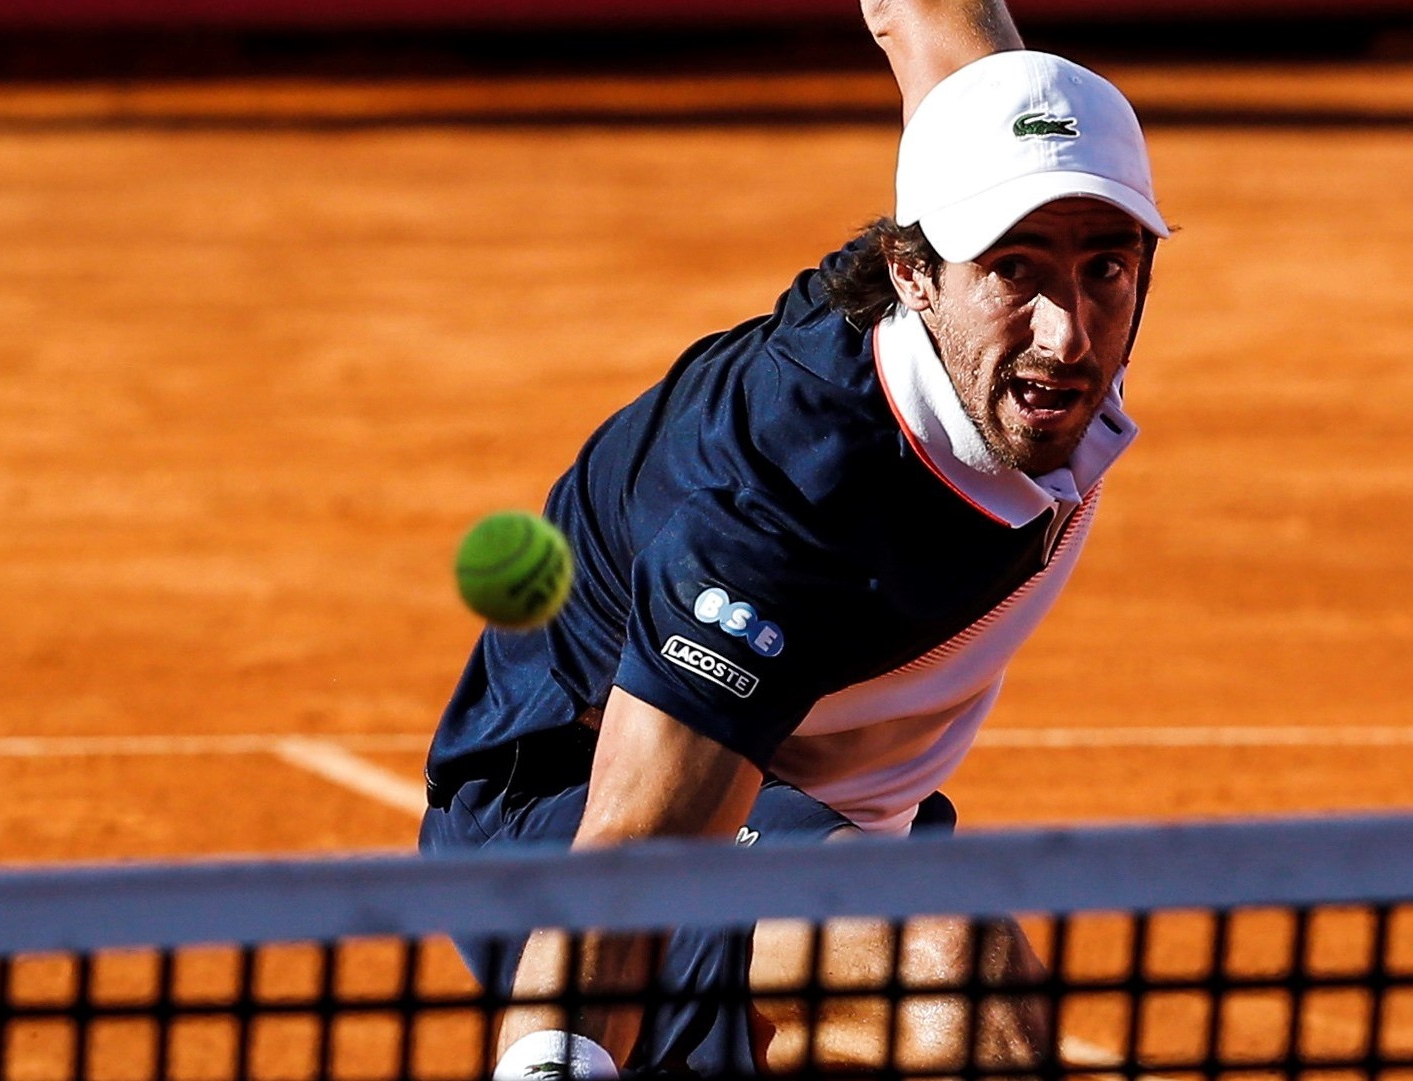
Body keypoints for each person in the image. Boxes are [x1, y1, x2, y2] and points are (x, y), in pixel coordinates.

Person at [419, 0, 1170, 1075]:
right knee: (949, 982)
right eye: (1015, 270)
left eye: (1109, 263)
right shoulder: (776, 506)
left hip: (818, 805)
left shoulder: (1043, 252)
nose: (1069, 331)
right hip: (567, 811)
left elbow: (929, 21)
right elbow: (630, 863)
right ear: (917, 273)